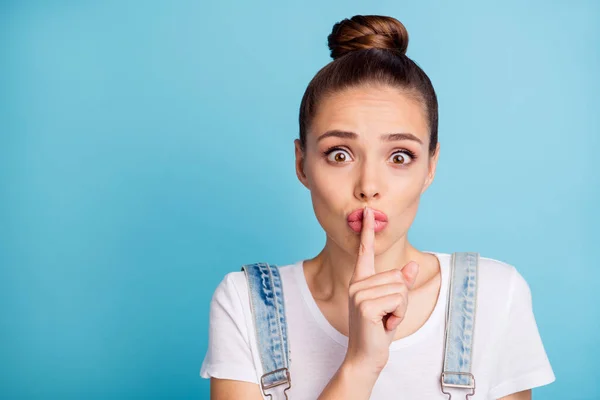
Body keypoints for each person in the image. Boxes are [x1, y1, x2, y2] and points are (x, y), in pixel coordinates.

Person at [200, 14, 555, 400]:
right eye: (340, 154)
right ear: (302, 163)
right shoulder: (247, 303)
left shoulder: (495, 295)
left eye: (400, 156)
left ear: (430, 167)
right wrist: (360, 365)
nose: (368, 187)